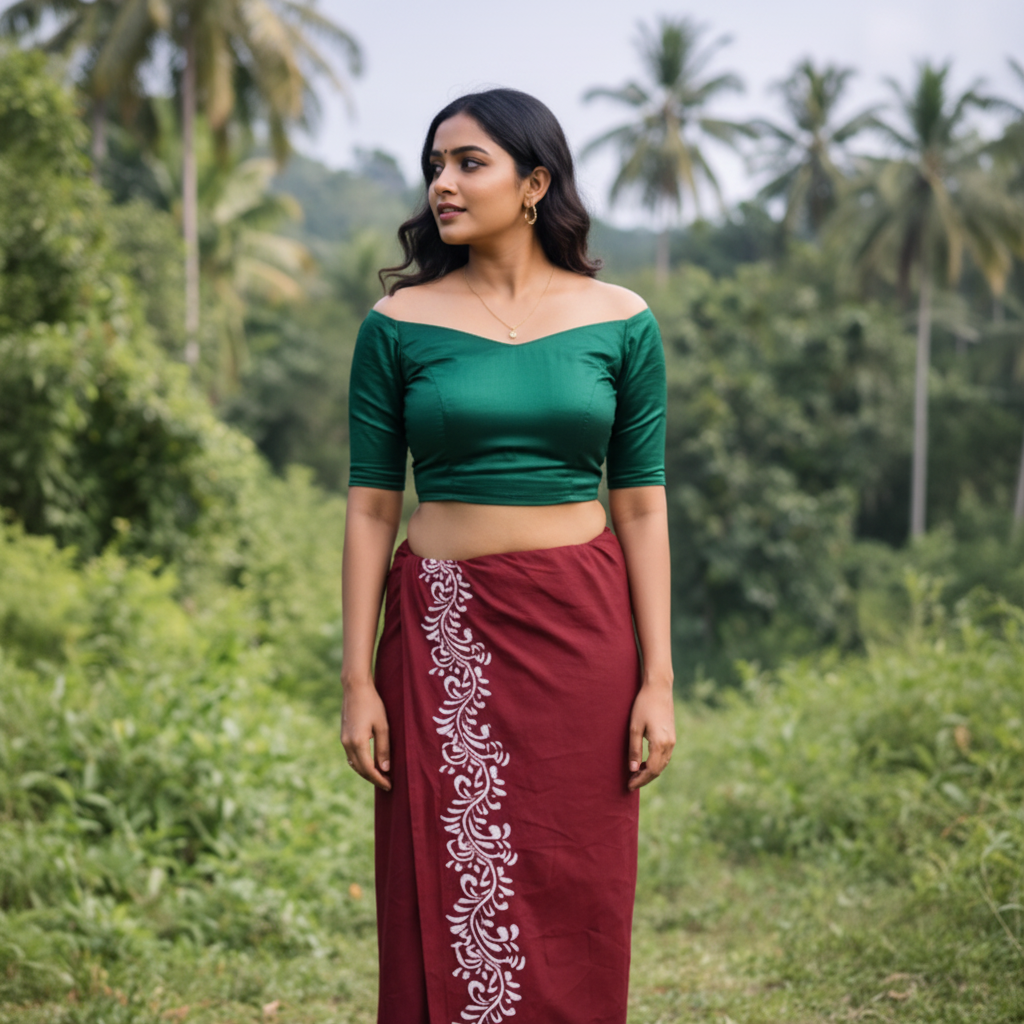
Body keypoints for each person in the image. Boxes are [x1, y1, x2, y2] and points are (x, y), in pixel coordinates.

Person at [339, 88, 675, 1024]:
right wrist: (356, 680)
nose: (443, 183)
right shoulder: (397, 324)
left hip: (581, 634)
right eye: (434, 166)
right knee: (447, 876)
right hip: (442, 632)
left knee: (578, 880)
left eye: (468, 163)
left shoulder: (622, 319)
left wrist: (660, 678)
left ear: (535, 183)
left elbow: (641, 506)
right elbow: (371, 508)